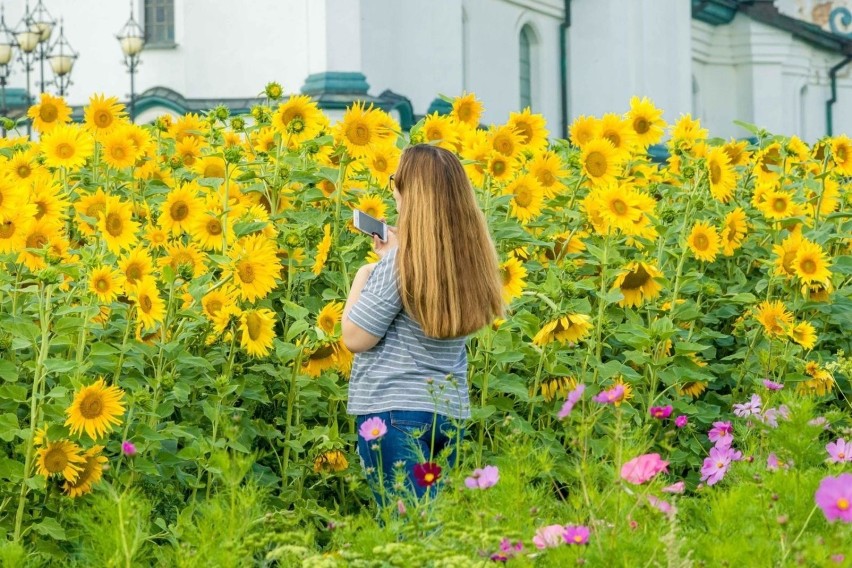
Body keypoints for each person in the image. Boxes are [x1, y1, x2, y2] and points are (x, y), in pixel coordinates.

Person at [342, 144, 503, 506]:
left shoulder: (398, 265)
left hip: (394, 415)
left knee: (405, 538)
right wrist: (393, 257)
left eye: (395, 181)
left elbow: (354, 337)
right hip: (448, 415)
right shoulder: (468, 261)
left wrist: (366, 272)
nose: (393, 190)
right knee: (432, 534)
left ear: (409, 193)